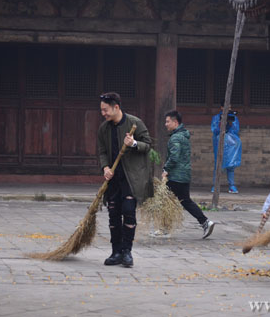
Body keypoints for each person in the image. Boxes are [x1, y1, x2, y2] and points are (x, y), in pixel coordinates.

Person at [97, 92, 153, 268]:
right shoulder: (103, 129)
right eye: (102, 110)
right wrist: (105, 168)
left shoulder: (134, 123)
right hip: (113, 179)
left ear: (116, 107)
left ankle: (127, 252)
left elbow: (148, 145)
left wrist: (133, 144)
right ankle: (116, 252)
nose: (103, 114)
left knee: (128, 211)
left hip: (131, 178)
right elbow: (102, 152)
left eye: (106, 110)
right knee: (113, 215)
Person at [162, 110, 215, 239]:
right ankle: (205, 222)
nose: (165, 124)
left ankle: (164, 229)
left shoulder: (175, 138)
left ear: (175, 122)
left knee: (164, 200)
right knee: (185, 201)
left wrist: (165, 169)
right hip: (184, 175)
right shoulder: (184, 135)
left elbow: (174, 157)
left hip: (175, 176)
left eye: (168, 121)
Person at [211, 100, 242, 193]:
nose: (228, 109)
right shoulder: (216, 118)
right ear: (221, 107)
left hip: (231, 145)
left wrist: (230, 123)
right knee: (218, 165)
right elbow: (214, 130)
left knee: (231, 166)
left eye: (229, 107)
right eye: (226, 107)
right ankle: (215, 185)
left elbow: (236, 130)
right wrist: (221, 123)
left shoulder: (234, 118)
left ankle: (232, 186)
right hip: (220, 142)